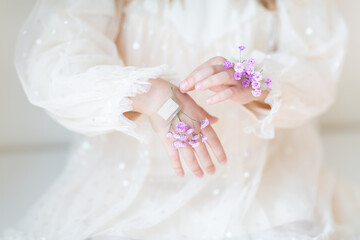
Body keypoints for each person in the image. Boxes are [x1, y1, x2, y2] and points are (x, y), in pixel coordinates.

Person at [2, 0, 359, 239]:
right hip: (130, 176)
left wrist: (258, 81)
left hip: (260, 173)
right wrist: (151, 94)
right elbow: (53, 64)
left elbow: (318, 68)